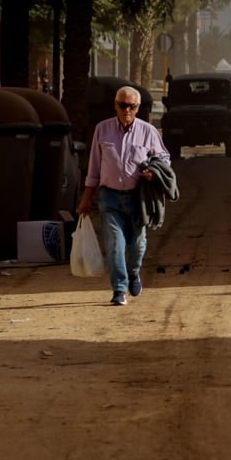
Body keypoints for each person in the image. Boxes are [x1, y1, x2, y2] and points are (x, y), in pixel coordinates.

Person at [76, 85, 171, 306]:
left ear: (138, 108)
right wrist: (86, 198)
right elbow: (94, 168)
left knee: (137, 245)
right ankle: (119, 289)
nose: (126, 110)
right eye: (122, 105)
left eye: (132, 106)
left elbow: (164, 159)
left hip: (138, 198)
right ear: (115, 106)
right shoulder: (102, 130)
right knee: (114, 245)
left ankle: (134, 272)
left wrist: (152, 173)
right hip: (109, 198)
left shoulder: (148, 131)